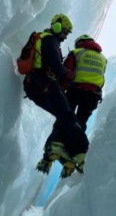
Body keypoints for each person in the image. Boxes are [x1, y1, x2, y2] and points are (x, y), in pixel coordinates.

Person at [22, 14, 85, 178]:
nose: (65, 37)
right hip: (45, 85)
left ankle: (58, 146)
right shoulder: (50, 40)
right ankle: (81, 153)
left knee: (63, 116)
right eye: (64, 32)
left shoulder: (45, 39)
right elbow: (57, 67)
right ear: (57, 26)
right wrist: (69, 75)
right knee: (68, 115)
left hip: (33, 88)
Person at [61, 34, 107, 172]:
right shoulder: (103, 59)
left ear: (79, 43)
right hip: (93, 95)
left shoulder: (76, 52)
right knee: (81, 123)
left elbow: (66, 72)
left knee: (66, 118)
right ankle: (79, 153)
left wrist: (60, 88)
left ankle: (62, 146)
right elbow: (101, 77)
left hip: (76, 91)